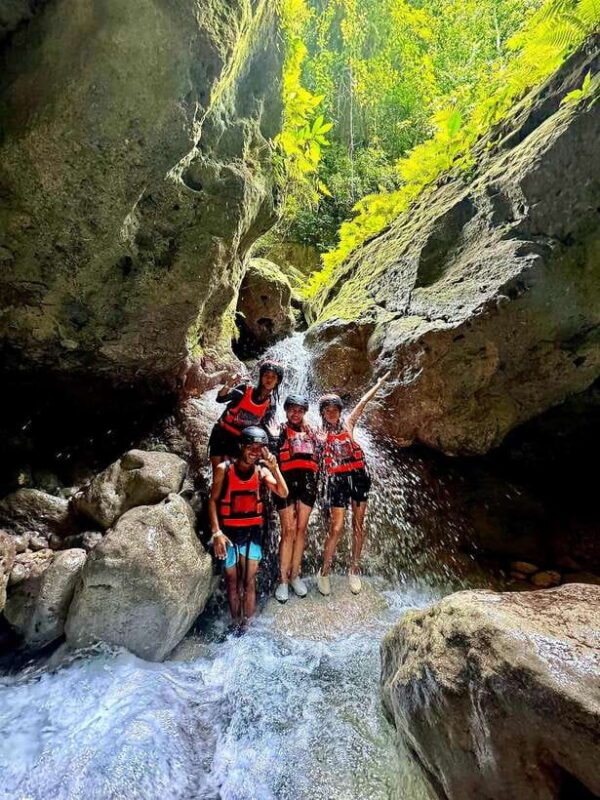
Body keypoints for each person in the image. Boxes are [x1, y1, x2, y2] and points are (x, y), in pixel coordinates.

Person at [316, 372, 390, 596]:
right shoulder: (318, 433)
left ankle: (354, 569)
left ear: (340, 411)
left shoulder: (349, 424)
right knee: (336, 528)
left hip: (359, 477)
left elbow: (363, 402)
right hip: (337, 482)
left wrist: (379, 383)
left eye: (335, 409)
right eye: (327, 410)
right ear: (322, 413)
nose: (332, 413)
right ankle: (324, 571)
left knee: (359, 526)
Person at [208, 426, 288, 627]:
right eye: (251, 447)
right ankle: (236, 622)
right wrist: (216, 532)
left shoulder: (262, 471)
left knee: (249, 580)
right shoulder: (224, 469)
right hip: (228, 532)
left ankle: (248, 626)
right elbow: (213, 501)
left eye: (259, 448)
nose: (255, 452)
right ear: (241, 446)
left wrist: (275, 468)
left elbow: (283, 492)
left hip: (252, 532)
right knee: (232, 580)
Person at [273, 394, 319, 603]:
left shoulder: (312, 432)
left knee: (301, 530)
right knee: (288, 530)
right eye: (292, 409)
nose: (296, 413)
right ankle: (283, 580)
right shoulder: (279, 430)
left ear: (304, 413)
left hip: (307, 484)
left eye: (300, 410)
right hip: (285, 484)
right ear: (286, 410)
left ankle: (295, 575)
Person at [208, 360, 284, 475]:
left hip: (239, 441)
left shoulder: (271, 405)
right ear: (261, 377)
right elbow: (220, 398)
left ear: (277, 381)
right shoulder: (245, 389)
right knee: (217, 472)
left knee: (230, 474)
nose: (269, 379)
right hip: (221, 434)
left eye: (273, 377)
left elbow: (263, 427)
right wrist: (230, 382)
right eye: (266, 375)